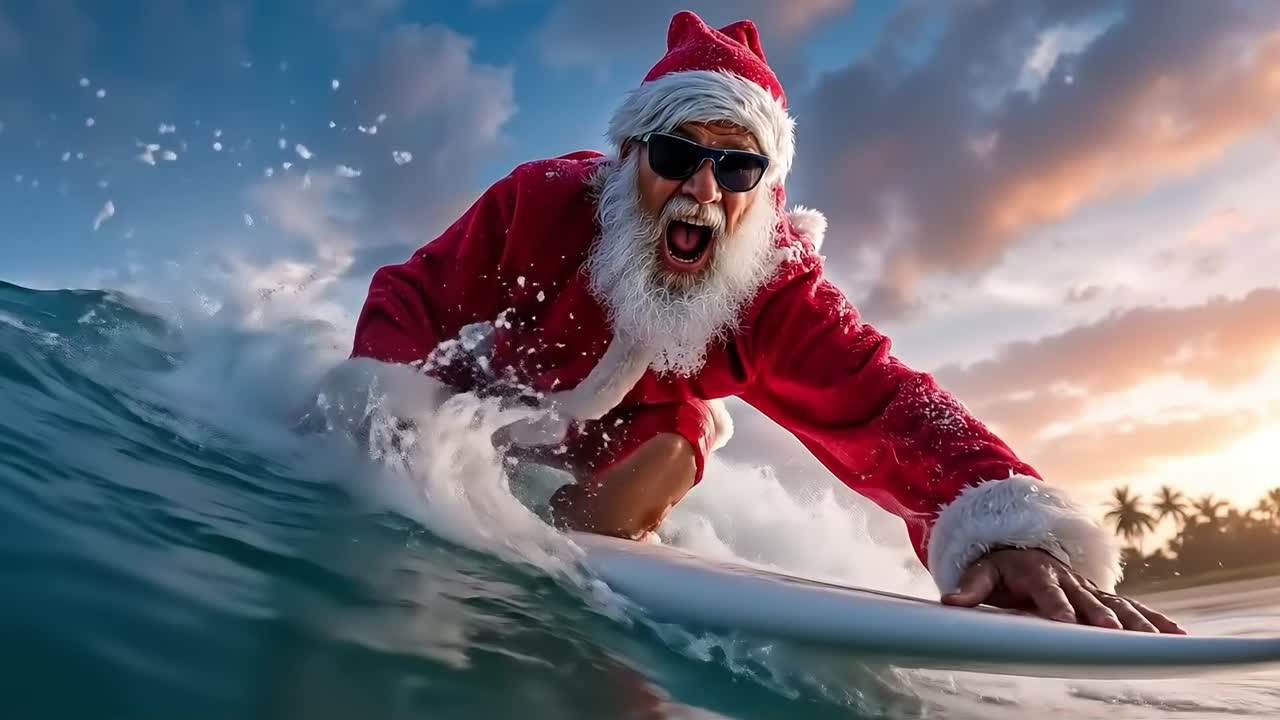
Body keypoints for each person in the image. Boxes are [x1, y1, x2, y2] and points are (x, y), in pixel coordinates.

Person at [349, 10, 1182, 634]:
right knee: (418, 422)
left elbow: (887, 405)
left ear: (763, 186)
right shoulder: (543, 201)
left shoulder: (774, 287)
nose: (703, 191)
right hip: (497, 380)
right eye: (678, 156)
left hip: (634, 426)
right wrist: (381, 408)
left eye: (737, 166)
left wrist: (1004, 525)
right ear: (630, 157)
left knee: (674, 449)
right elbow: (413, 294)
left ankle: (564, 585)